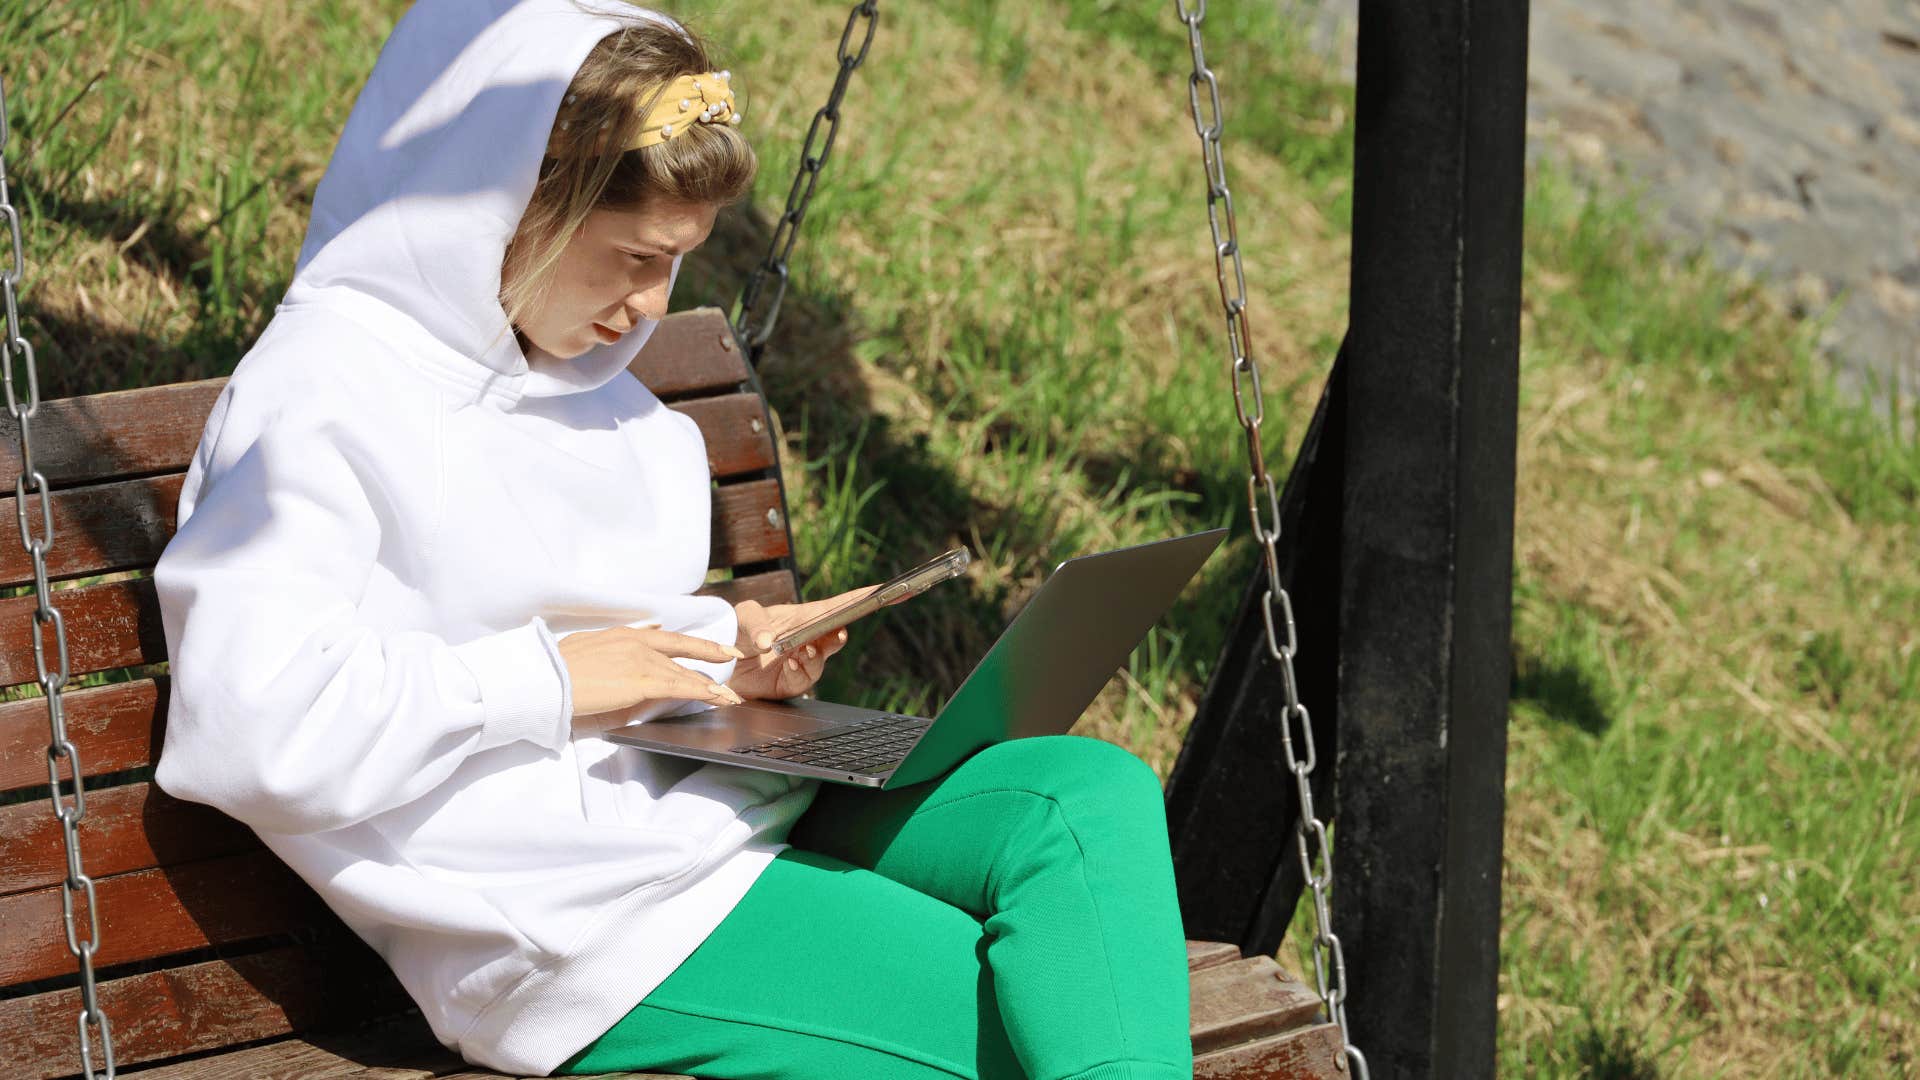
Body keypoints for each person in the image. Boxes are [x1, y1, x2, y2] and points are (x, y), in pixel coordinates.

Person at [151, 2, 1193, 1077]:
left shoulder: (612, 409)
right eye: (633, 257)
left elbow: (604, 644)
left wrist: (728, 659)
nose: (650, 305)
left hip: (710, 811)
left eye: (679, 262)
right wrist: (544, 683)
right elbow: (249, 722)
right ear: (511, 205)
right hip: (576, 914)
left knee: (1083, 801)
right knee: (1010, 1016)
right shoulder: (323, 391)